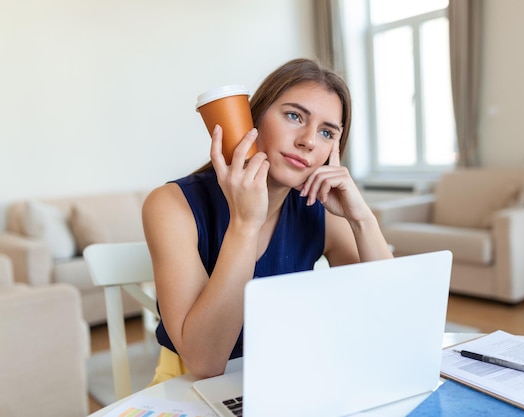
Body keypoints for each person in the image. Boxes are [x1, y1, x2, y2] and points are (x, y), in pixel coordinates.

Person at [142, 58, 393, 384]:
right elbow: (205, 364)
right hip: (188, 388)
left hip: (282, 375)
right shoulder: (171, 206)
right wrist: (245, 225)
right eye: (294, 116)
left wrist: (363, 220)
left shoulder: (318, 209)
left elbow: (390, 318)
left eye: (327, 132)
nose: (309, 141)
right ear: (253, 118)